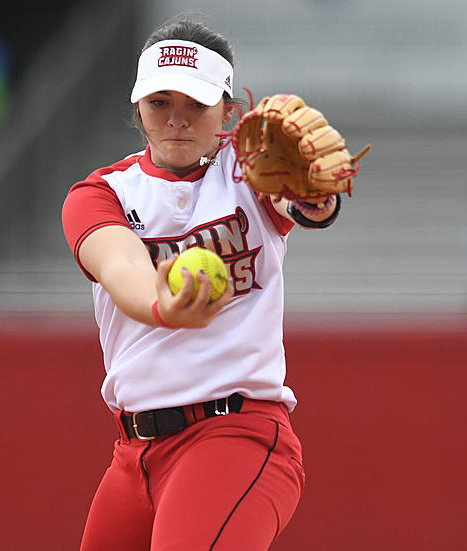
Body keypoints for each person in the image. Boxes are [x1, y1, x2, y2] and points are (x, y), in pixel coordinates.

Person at [61, 15, 351, 550]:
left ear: (227, 110)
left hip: (236, 435)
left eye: (196, 104)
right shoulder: (101, 193)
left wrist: (316, 197)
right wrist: (162, 304)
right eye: (160, 102)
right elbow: (122, 268)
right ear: (137, 107)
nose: (178, 119)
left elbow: (300, 199)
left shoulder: (247, 172)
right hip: (133, 455)